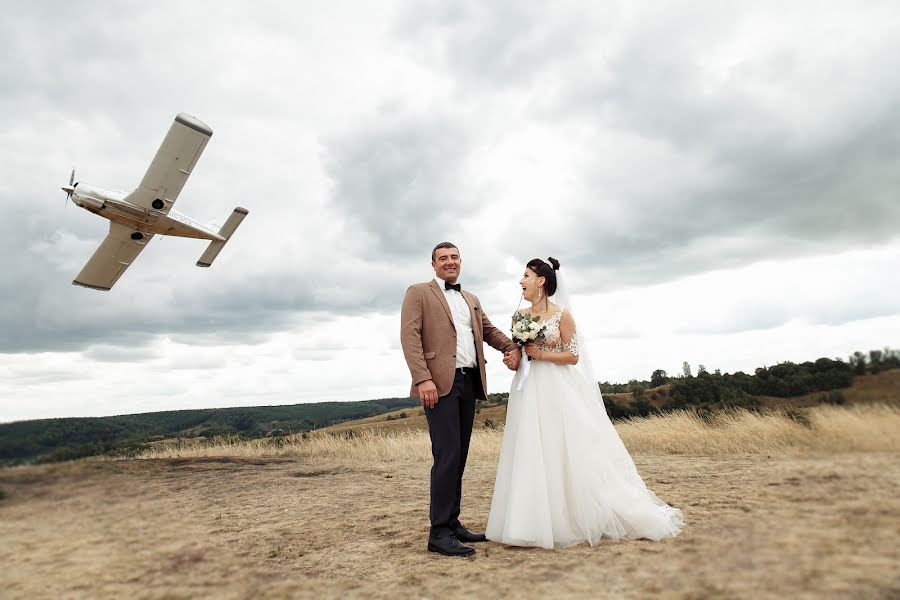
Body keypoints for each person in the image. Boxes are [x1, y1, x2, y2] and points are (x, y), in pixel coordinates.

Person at [486, 257, 683, 548]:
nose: (521, 281)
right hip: (526, 390)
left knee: (560, 446)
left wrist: (542, 354)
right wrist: (513, 358)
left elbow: (573, 356)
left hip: (556, 388)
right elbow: (520, 355)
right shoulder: (519, 317)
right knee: (529, 445)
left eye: (525, 275)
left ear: (541, 281)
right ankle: (529, 520)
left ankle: (567, 517)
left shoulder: (562, 315)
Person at [400, 242, 521, 557]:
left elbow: (488, 331)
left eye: (454, 257)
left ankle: (452, 523)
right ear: (433, 264)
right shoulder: (418, 292)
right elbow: (410, 336)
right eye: (443, 258)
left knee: (460, 454)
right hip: (438, 384)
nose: (449, 262)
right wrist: (422, 377)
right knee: (447, 455)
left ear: (460, 262)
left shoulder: (471, 298)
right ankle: (438, 533)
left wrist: (511, 347)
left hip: (469, 382)